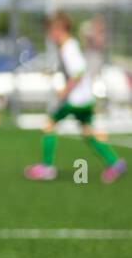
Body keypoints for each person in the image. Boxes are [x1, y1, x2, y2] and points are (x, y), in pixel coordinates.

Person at [24, 12, 125, 183]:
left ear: (59, 29)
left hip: (76, 100)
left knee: (49, 125)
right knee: (88, 133)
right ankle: (114, 163)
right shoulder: (67, 46)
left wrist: (64, 90)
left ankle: (47, 168)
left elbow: (78, 72)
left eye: (51, 31)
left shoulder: (68, 47)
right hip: (84, 99)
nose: (49, 35)